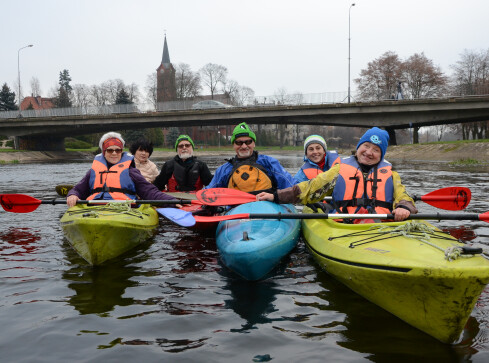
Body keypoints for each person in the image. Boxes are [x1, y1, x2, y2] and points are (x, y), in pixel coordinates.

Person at [257, 127, 417, 222]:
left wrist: (404, 207)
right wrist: (275, 196)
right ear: (359, 146)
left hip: (380, 223)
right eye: (366, 146)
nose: (369, 152)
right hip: (345, 223)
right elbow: (310, 188)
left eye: (376, 150)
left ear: (381, 155)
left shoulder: (391, 175)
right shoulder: (340, 170)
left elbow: (403, 196)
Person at [67, 132, 177, 207]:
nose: (114, 153)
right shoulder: (92, 172)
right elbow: (78, 189)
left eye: (117, 150)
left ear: (121, 151)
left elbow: (149, 191)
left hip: (124, 209)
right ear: (104, 152)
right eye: (110, 150)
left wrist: (171, 201)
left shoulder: (131, 171)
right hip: (95, 208)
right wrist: (72, 195)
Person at [206, 122, 297, 193]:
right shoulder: (223, 170)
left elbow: (291, 185)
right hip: (237, 210)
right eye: (239, 142)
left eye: (248, 142)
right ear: (233, 145)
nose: (244, 146)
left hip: (266, 209)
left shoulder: (269, 163)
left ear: (254, 143)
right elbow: (208, 192)